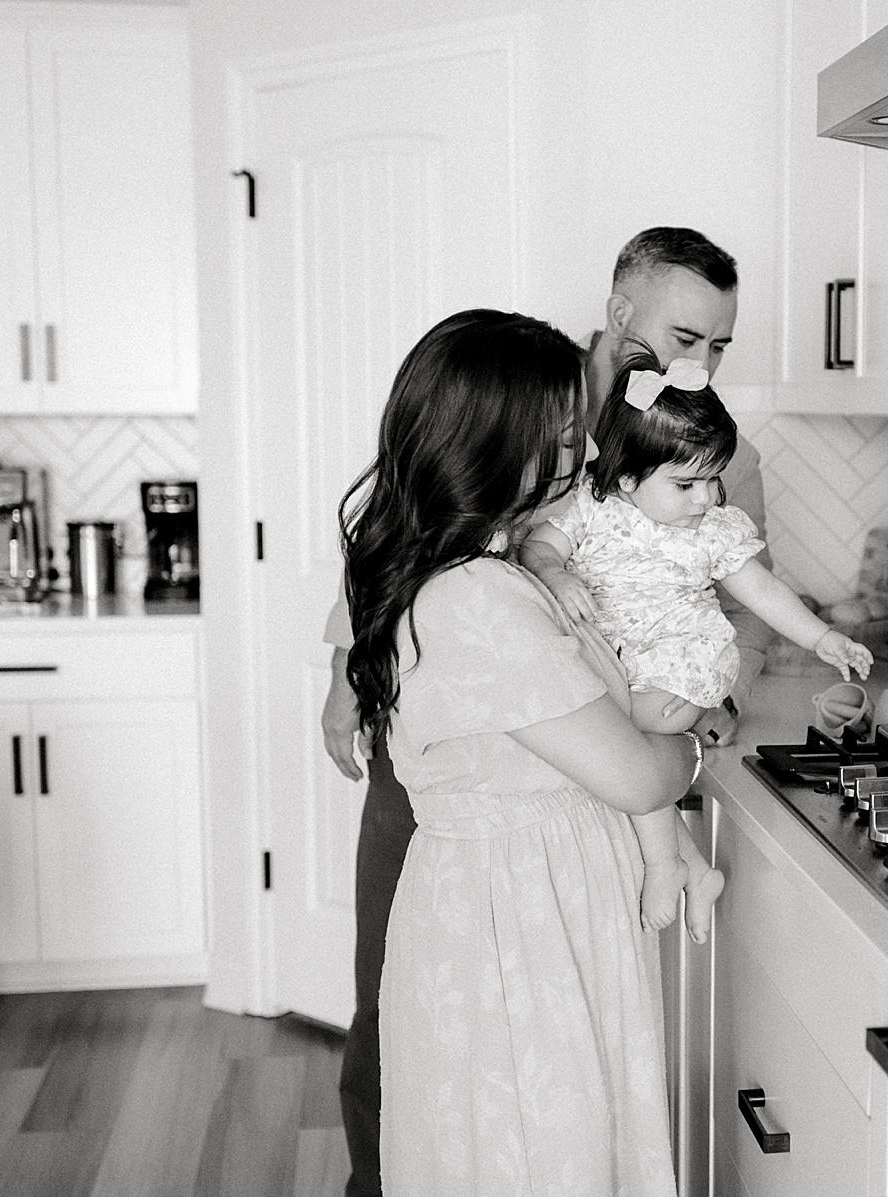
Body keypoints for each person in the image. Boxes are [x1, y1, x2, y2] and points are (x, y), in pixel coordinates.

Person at [319, 227, 762, 1197]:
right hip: (509, 873)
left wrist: (702, 699)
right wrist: (686, 751)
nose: (701, 361)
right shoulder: (483, 573)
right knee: (505, 1117)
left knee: (517, 1125)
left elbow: (714, 610)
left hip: (544, 840)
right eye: (687, 335)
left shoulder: (681, 454)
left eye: (720, 344)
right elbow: (632, 767)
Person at [522, 351, 870, 939]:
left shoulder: (712, 531)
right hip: (622, 665)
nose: (706, 498)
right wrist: (557, 575)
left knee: (615, 744)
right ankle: (695, 870)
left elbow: (764, 592)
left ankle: (664, 866)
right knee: (620, 750)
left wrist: (823, 637)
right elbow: (538, 549)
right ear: (627, 478)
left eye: (713, 479)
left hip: (678, 664)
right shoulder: (590, 508)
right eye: (686, 484)